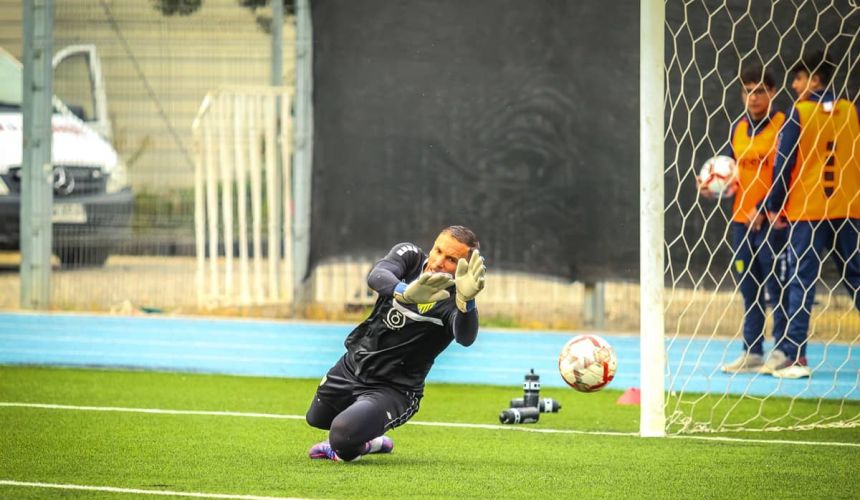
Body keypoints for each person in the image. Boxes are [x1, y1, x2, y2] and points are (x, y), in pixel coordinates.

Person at [305, 225, 486, 462]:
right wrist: (405, 292)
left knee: (341, 437)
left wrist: (467, 302)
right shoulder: (410, 257)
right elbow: (377, 275)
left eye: (451, 259)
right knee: (316, 418)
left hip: (395, 389)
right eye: (438, 250)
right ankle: (371, 436)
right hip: (353, 366)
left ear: (464, 267)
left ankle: (365, 443)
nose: (439, 261)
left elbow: (466, 337)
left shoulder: (455, 299)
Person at [761, 49, 860, 379]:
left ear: (814, 80)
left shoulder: (798, 113)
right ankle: (792, 355)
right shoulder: (851, 111)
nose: (793, 84)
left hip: (808, 210)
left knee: (801, 281)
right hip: (848, 208)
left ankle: (795, 357)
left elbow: (783, 164)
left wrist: (774, 205)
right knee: (856, 278)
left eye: (798, 78)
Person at [699, 62, 790, 374]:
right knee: (748, 287)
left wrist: (763, 207)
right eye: (748, 91)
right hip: (741, 222)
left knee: (777, 288)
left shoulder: (784, 124)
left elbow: (787, 173)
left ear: (773, 93)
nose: (753, 97)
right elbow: (727, 167)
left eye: (760, 91)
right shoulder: (738, 128)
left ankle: (783, 351)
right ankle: (752, 351)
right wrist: (712, 186)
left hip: (773, 221)